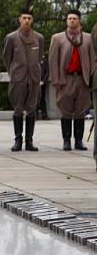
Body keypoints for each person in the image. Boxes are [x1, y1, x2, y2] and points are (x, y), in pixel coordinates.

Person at [49, 9, 94, 151]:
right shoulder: (58, 38)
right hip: (66, 79)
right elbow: (52, 60)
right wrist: (56, 80)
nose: (72, 21)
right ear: (66, 21)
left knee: (81, 111)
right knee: (66, 111)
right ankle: (66, 140)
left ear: (79, 20)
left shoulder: (88, 38)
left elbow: (93, 59)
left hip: (82, 78)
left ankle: (79, 141)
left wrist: (91, 78)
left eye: (74, 18)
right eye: (69, 18)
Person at [4, 8, 44, 151]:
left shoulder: (38, 38)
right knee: (18, 109)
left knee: (32, 109)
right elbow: (7, 58)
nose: (26, 20)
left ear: (32, 20)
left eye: (29, 18)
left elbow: (39, 58)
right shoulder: (11, 38)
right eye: (24, 18)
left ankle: (29, 141)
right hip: (18, 78)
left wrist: (35, 71)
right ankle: (18, 140)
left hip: (33, 77)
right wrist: (14, 72)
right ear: (19, 19)